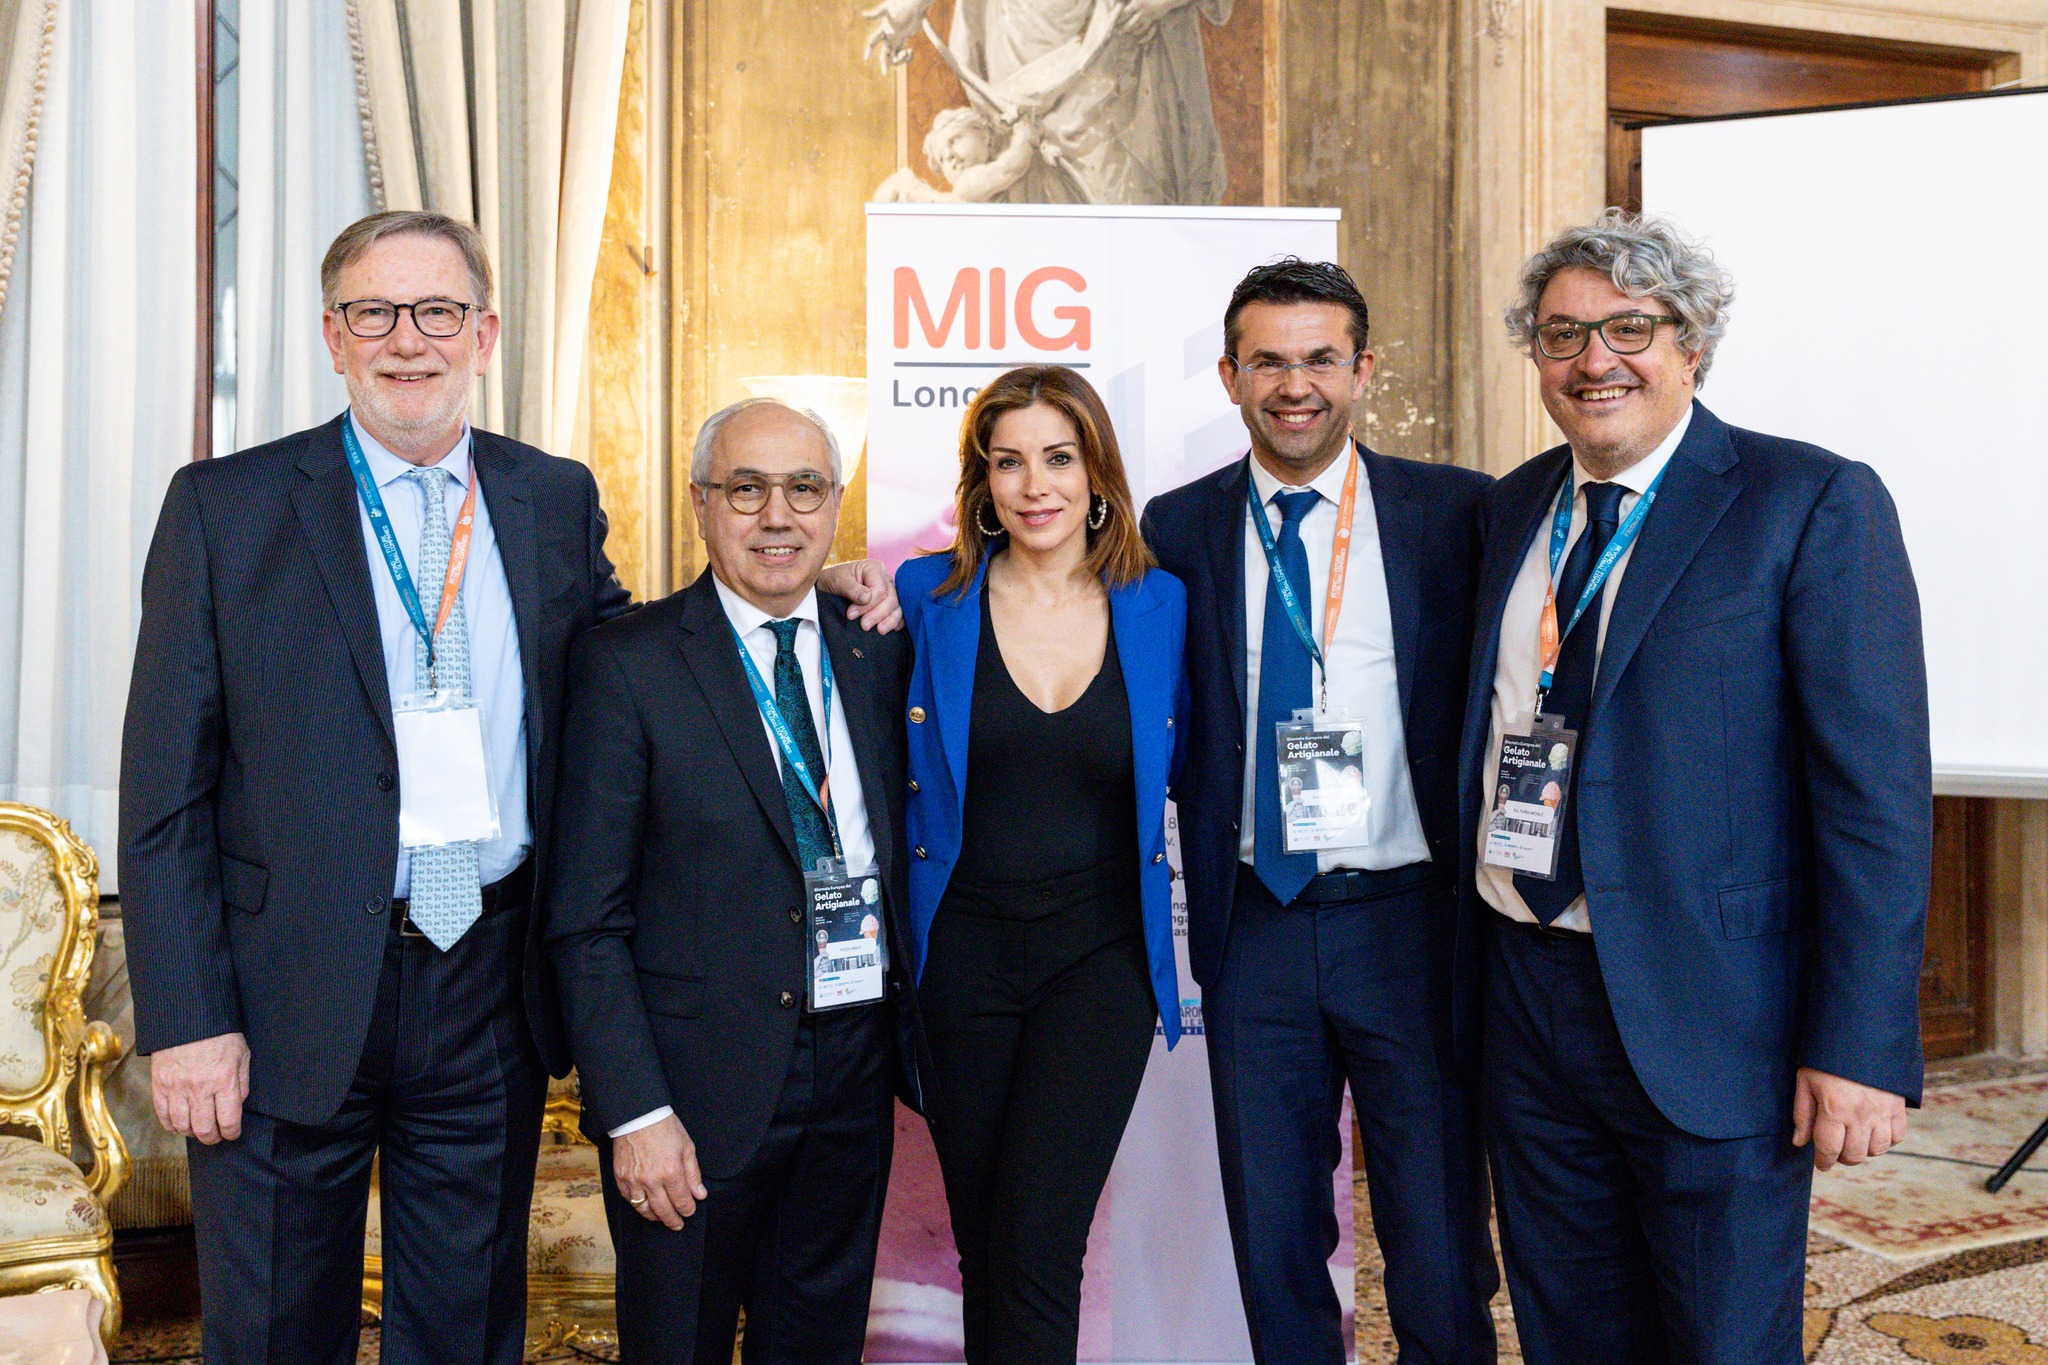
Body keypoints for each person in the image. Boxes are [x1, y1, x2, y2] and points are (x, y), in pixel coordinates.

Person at [117, 211, 899, 1365]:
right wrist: (188, 1022)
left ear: (483, 336)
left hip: (486, 978)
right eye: (375, 312)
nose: (408, 339)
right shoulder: (226, 508)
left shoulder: (550, 497)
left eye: (437, 311)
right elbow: (163, 793)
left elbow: (646, 660)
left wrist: (796, 588)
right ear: (333, 336)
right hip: (287, 991)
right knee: (276, 1329)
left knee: (466, 1329)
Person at [1459, 209, 1929, 1362]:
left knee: (1720, 1340)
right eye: (1562, 334)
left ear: (1691, 344)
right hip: (1522, 993)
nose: (1593, 360)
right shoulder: (1509, 509)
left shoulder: (1805, 500)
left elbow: (1871, 800)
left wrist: (1859, 1044)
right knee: (1566, 1330)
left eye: (1628, 328)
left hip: (1715, 1013)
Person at [1142, 259, 1499, 1362]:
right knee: (1275, 1232)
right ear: (1229, 376)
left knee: (1437, 1233)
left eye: (1319, 360)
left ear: (1362, 370)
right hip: (1254, 924)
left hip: (1413, 923)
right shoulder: (1177, 525)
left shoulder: (1456, 512)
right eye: (1267, 362)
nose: (1294, 386)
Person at [546, 398, 919, 1362]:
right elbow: (585, 920)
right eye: (747, 488)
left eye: (805, 488)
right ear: (701, 503)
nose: (778, 515)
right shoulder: (628, 664)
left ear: (836, 502)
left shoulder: (877, 645)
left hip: (853, 1069)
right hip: (691, 1092)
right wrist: (636, 1112)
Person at [896, 366, 1187, 1363]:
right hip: (959, 964)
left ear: (1095, 471)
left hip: (1099, 963)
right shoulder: (924, 596)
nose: (1034, 486)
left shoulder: (1160, 605)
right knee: (988, 1245)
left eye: (1057, 458)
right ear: (981, 480)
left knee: (1037, 1242)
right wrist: (841, 577)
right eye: (1008, 462)